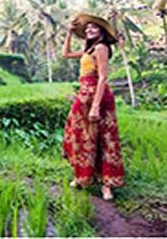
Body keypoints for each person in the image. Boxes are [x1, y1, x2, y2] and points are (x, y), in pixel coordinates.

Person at [61, 13, 125, 201]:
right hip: (84, 95)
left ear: (101, 32)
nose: (89, 29)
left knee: (104, 137)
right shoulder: (89, 51)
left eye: (94, 27)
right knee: (81, 134)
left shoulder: (101, 48)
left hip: (98, 97)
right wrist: (69, 33)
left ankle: (107, 185)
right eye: (87, 28)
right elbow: (65, 54)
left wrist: (96, 106)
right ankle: (83, 176)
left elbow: (103, 78)